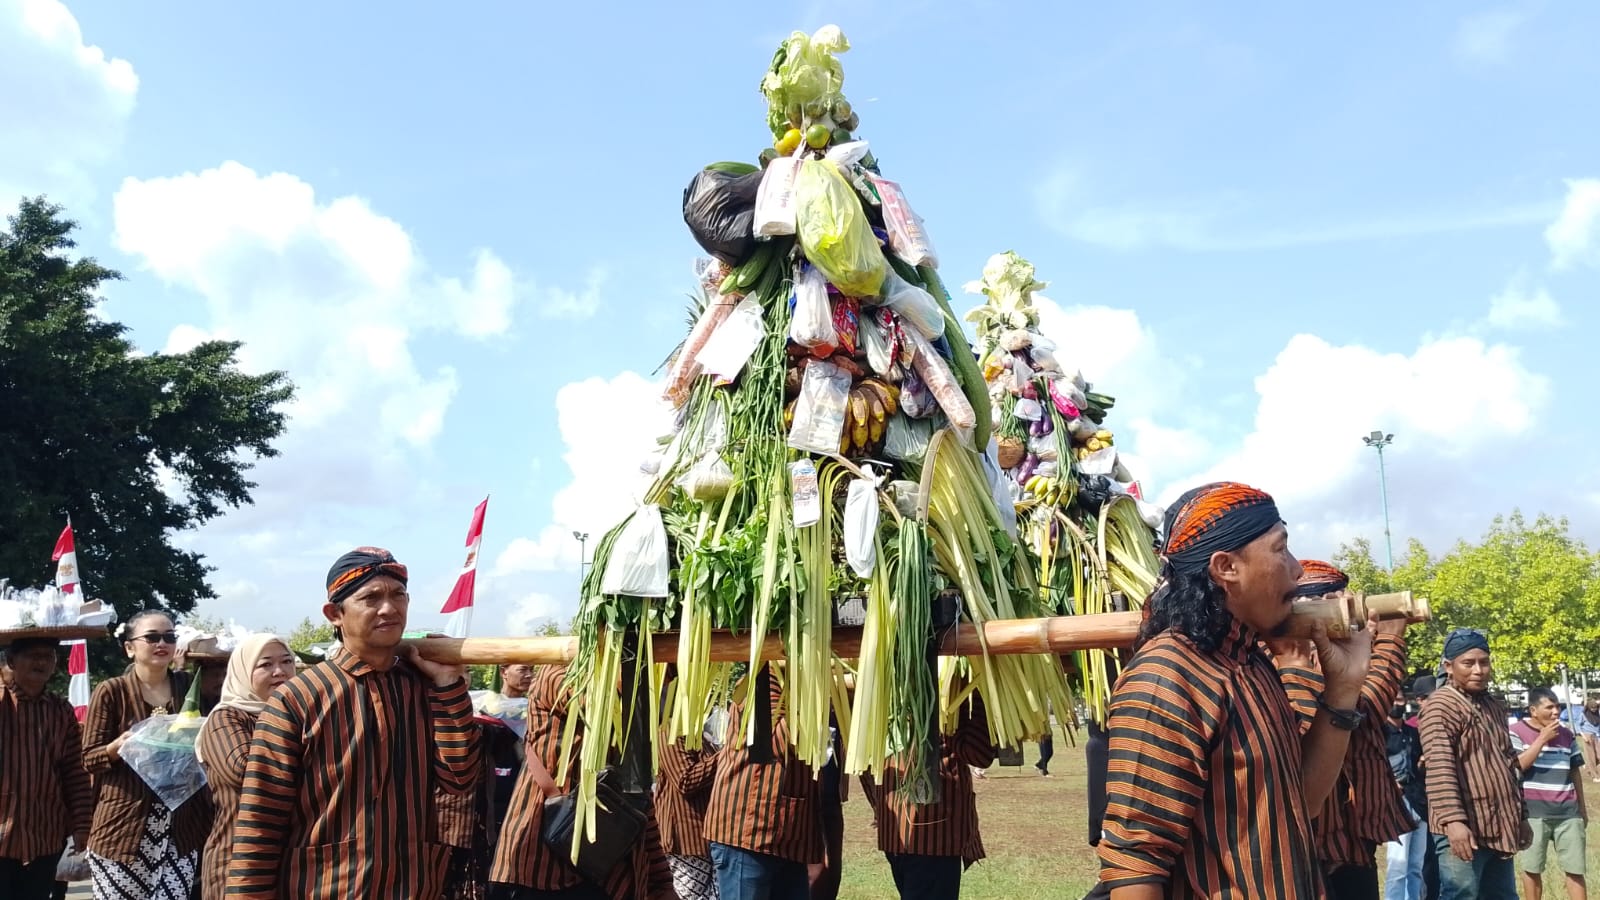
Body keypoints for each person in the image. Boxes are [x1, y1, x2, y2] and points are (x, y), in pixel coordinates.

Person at [1097, 481, 1372, 899]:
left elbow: (1303, 802)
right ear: (1226, 567)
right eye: (1281, 549)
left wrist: (1343, 688)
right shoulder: (1168, 674)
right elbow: (1136, 864)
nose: (1298, 569)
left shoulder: (1251, 662)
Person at [226, 547, 483, 898]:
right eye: (371, 598)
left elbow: (460, 778)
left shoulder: (424, 687)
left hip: (412, 887)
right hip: (325, 888)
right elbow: (260, 821)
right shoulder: (298, 699)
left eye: (398, 595)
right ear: (334, 614)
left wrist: (448, 685)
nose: (389, 608)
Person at [1270, 560, 1413, 900]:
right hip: (1309, 852)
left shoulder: (1343, 650)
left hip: (1353, 847)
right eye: (1334, 602)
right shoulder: (1281, 656)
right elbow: (1355, 713)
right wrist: (1390, 643)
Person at [487, 663, 674, 899]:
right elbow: (597, 705)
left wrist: (662, 881)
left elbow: (639, 801)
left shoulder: (636, 720)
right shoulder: (555, 674)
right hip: (542, 869)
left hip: (612, 876)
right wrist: (637, 666)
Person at [82, 610, 212, 900]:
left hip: (179, 829)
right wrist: (118, 746)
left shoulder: (187, 686)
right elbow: (89, 758)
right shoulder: (111, 691)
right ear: (130, 647)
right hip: (123, 827)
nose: (161, 643)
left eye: (169, 636)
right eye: (152, 637)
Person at [1419, 628, 1529, 900]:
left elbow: (1510, 764)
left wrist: (1522, 816)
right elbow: (1439, 768)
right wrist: (1454, 822)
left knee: (1503, 896)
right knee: (1461, 894)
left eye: (1484, 662)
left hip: (1499, 822)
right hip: (1463, 825)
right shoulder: (1440, 705)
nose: (1478, 670)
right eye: (1468, 663)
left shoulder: (1493, 705)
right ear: (1449, 666)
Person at [861, 691, 995, 899]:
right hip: (934, 833)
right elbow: (980, 753)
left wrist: (879, 807)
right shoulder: (949, 685)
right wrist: (979, 692)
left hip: (895, 829)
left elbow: (862, 761)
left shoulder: (880, 686)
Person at [704, 664, 821, 900]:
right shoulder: (759, 682)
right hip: (748, 835)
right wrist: (816, 693)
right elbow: (776, 744)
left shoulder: (796, 682)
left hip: (787, 836)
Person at [192, 633, 294, 900]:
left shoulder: (302, 714)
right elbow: (246, 772)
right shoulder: (225, 718)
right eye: (265, 665)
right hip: (239, 861)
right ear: (242, 671)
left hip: (294, 862)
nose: (279, 672)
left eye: (287, 662)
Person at [0, 638, 93, 899]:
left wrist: (82, 824)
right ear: (10, 661)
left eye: (48, 656)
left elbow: (75, 772)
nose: (41, 662)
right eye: (33, 655)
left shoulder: (61, 710)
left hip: (46, 836)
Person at [1510, 687, 1588, 900]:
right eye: (1549, 707)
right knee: (1532, 869)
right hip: (1533, 814)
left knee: (1575, 869)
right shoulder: (1516, 731)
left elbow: (1575, 771)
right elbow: (1519, 766)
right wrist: (1542, 739)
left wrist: (1581, 808)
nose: (1556, 712)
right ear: (1533, 710)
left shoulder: (1566, 734)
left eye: (1558, 707)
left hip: (1568, 812)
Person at [657, 716, 720, 900]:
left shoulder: (699, 731)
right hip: (686, 840)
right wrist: (726, 755)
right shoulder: (670, 730)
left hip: (707, 837)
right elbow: (685, 780)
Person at [1384, 693, 1429, 900]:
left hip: (1418, 801)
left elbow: (1420, 768)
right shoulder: (1379, 733)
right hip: (1396, 802)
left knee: (1416, 865)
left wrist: (1422, 764)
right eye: (1391, 699)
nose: (1395, 703)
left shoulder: (1413, 732)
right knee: (1397, 865)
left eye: (1399, 699)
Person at [1577, 695, 1600, 784]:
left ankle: (1588, 767)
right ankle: (1595, 776)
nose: (1594, 710)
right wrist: (1583, 736)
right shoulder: (1583, 714)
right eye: (1592, 708)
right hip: (1587, 736)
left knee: (1598, 756)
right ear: (1589, 707)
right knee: (1591, 757)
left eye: (1595, 708)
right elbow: (1578, 725)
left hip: (1597, 736)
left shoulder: (1597, 714)